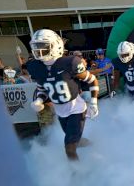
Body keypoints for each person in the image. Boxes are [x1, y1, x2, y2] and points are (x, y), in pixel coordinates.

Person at [26, 29, 99, 161]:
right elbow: (42, 87)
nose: (39, 50)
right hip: (60, 111)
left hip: (76, 109)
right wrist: (39, 100)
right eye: (36, 46)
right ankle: (94, 146)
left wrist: (93, 102)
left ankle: (79, 175)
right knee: (76, 140)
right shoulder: (35, 66)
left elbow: (92, 79)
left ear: (56, 46)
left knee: (69, 148)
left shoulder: (69, 63)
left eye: (43, 46)